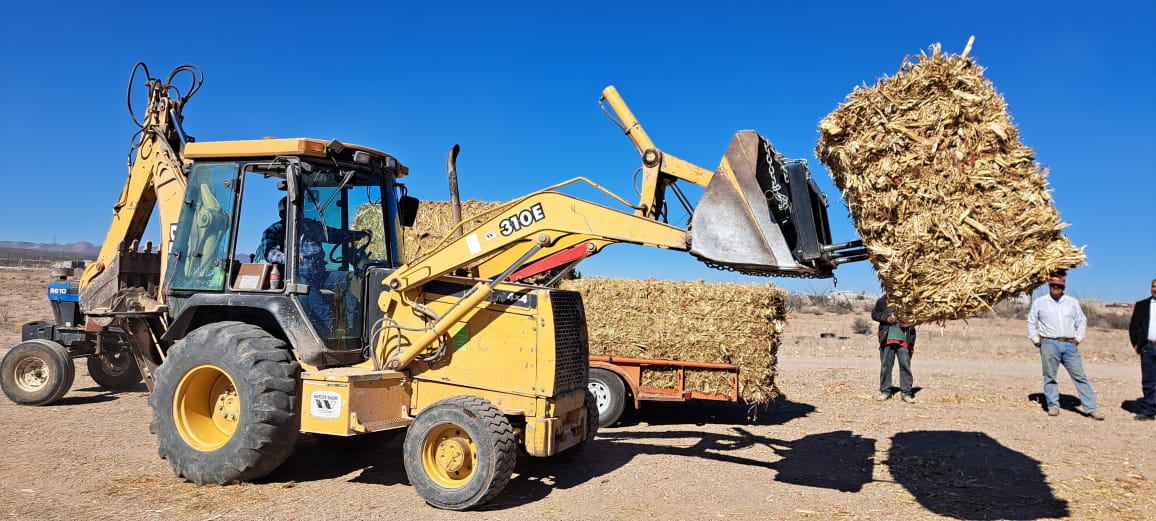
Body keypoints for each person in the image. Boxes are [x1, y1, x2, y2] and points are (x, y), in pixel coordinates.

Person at [261, 196, 367, 338]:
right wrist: (290, 257)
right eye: (293, 211)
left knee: (352, 279)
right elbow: (270, 253)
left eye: (300, 210)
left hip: (320, 274)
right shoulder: (275, 230)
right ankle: (329, 335)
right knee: (316, 301)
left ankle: (352, 328)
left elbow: (333, 234)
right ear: (283, 214)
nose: (299, 214)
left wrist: (354, 235)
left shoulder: (310, 226)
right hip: (296, 277)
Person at [1026, 273, 1104, 420]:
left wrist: (1078, 338)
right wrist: (1035, 339)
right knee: (1050, 377)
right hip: (1049, 343)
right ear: (1049, 286)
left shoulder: (1072, 302)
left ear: (1064, 287)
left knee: (1080, 376)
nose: (1056, 289)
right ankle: (1053, 406)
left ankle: (1091, 408)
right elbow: (1031, 321)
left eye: (1059, 286)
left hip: (1069, 344)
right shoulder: (1040, 302)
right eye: (1054, 286)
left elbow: (1081, 320)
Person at [872, 295, 916, 403]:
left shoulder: (909, 301)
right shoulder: (882, 301)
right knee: (886, 366)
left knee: (905, 366)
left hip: (904, 340)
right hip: (887, 339)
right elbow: (874, 314)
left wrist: (907, 323)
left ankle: (906, 393)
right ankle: (885, 391)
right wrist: (886, 318)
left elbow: (917, 316)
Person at [1128, 278, 1156, 421]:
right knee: (1149, 381)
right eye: (1153, 286)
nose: (1155, 289)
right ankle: (1149, 411)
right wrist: (1136, 345)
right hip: (1148, 348)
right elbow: (1134, 327)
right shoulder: (1142, 305)